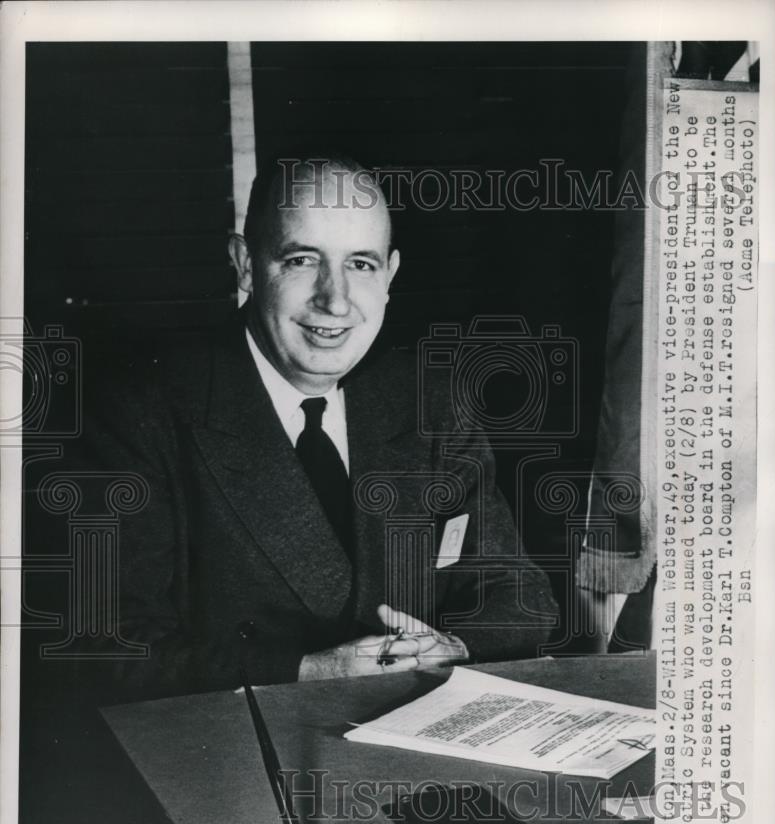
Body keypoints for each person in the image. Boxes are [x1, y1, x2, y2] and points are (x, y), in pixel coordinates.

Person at [79, 155, 557, 699]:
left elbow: (519, 596)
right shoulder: (140, 412)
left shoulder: (431, 401)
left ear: (390, 276)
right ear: (244, 264)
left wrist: (449, 645)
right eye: (303, 259)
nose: (335, 300)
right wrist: (306, 670)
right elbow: (110, 648)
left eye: (361, 265)